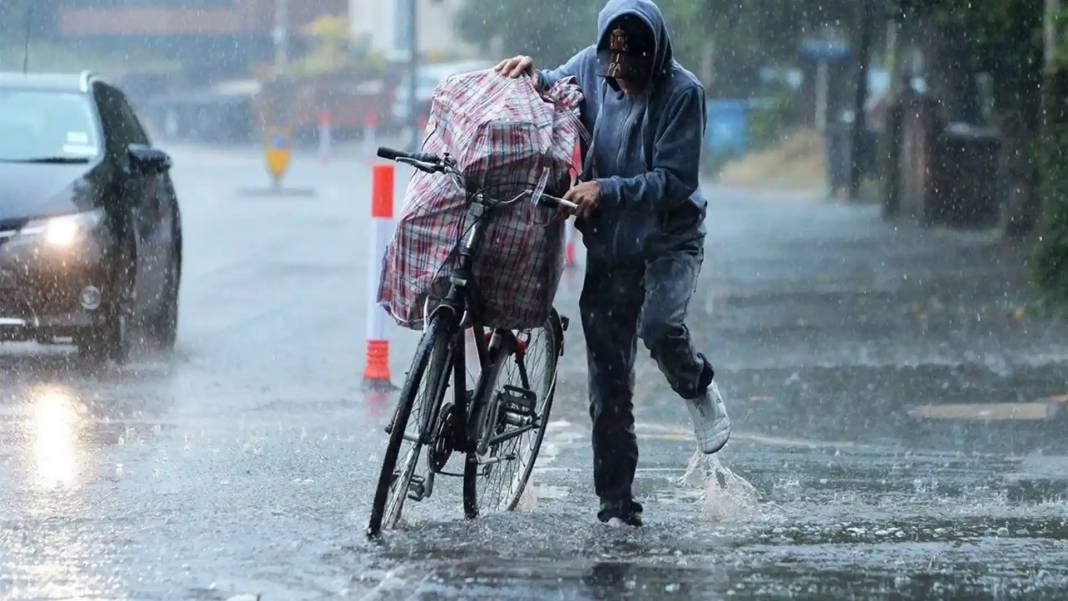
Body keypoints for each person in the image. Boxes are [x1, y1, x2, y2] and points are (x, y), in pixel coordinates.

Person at [495, 0, 730, 527]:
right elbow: (554, 87)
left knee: (661, 326)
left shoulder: (683, 93)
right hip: (610, 245)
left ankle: (696, 384)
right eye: (614, 77)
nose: (623, 84)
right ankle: (616, 504)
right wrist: (530, 74)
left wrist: (609, 189)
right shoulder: (590, 65)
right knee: (608, 382)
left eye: (635, 76)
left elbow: (676, 181)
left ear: (656, 59)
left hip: (669, 240)